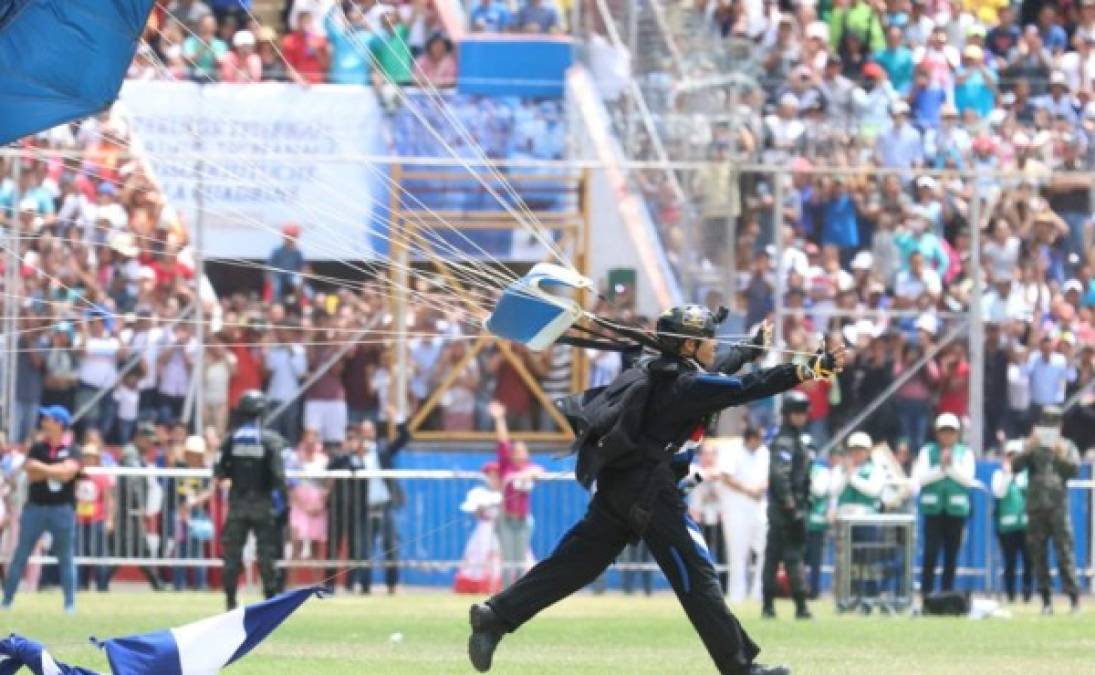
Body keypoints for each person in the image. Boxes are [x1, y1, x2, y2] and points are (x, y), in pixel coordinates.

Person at [468, 306, 844, 675]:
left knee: (575, 563)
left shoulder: (663, 371)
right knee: (696, 575)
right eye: (707, 340)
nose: (714, 345)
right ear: (687, 348)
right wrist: (807, 368)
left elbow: (721, 364)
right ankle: (739, 668)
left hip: (623, 486)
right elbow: (745, 386)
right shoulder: (685, 386)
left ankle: (495, 616)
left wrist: (750, 346)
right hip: (650, 491)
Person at [2, 406, 81, 612]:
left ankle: (69, 604)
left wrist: (43, 468)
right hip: (35, 508)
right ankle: (7, 600)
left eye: (48, 419)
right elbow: (32, 473)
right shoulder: (38, 447)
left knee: (65, 556)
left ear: (59, 423)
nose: (44, 422)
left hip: (62, 509)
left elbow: (68, 474)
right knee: (21, 554)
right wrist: (56, 470)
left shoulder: (74, 449)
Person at [215, 389, 288, 610]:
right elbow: (278, 476)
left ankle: (230, 601)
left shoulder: (231, 440)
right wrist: (284, 505)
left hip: (238, 503)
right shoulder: (271, 441)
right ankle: (270, 602)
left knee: (232, 556)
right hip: (263, 504)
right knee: (267, 555)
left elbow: (219, 471)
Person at [1011, 406, 1080, 615]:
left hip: (1058, 507)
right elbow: (1015, 466)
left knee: (1064, 553)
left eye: (1054, 423)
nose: (1051, 427)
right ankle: (1046, 600)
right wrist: (1028, 448)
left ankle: (1073, 598)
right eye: (1047, 423)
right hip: (1036, 508)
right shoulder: (1032, 446)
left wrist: (1059, 454)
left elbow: (1074, 469)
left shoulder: (1067, 446)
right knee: (1038, 556)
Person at [761, 391, 813, 620]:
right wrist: (791, 505)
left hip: (790, 507)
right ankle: (797, 606)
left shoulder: (794, 440)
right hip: (785, 510)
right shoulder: (784, 442)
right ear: (787, 414)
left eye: (803, 412)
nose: (802, 416)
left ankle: (770, 605)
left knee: (779, 556)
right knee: (787, 557)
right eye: (797, 412)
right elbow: (780, 476)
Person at [912, 413, 975, 599]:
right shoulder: (927, 451)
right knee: (930, 553)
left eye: (951, 432)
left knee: (951, 555)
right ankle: (927, 593)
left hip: (956, 511)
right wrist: (941, 469)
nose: (947, 436)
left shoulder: (965, 452)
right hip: (933, 510)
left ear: (957, 434)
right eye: (943, 431)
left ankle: (947, 594)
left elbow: (967, 480)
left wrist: (950, 467)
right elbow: (920, 479)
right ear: (937, 433)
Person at [487, 401, 544, 588]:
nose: (519, 454)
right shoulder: (507, 467)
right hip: (507, 519)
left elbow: (540, 472)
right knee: (507, 561)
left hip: (523, 520)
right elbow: (503, 441)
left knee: (520, 561)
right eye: (516, 451)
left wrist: (527, 474)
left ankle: (518, 594)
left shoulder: (530, 468)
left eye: (522, 451)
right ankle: (504, 593)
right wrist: (500, 419)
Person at [357, 411, 410, 595]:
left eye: (370, 429)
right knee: (364, 549)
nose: (367, 433)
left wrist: (398, 420)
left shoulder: (383, 448)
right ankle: (364, 586)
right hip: (365, 506)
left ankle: (391, 585)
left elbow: (404, 438)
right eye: (364, 430)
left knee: (390, 546)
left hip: (385, 503)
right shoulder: (355, 452)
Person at [831, 432, 884, 608]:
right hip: (845, 521)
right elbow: (833, 490)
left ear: (868, 452)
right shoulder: (840, 470)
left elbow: (873, 490)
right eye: (853, 450)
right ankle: (847, 598)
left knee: (868, 560)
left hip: (866, 521)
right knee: (846, 561)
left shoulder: (875, 469)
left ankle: (869, 597)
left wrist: (852, 477)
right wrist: (847, 475)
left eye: (861, 450)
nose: (856, 454)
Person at [718, 429, 769, 604]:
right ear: (750, 438)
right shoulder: (732, 450)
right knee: (738, 554)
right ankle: (737, 594)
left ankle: (759, 592)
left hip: (759, 507)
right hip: (736, 509)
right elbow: (725, 476)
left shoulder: (764, 452)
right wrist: (748, 490)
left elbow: (769, 475)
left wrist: (760, 488)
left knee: (765, 549)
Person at [991, 440, 1032, 604]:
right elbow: (999, 493)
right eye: (1010, 455)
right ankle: (1010, 594)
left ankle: (1027, 593)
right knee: (1010, 562)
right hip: (1007, 528)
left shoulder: (1028, 475)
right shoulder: (999, 475)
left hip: (1027, 526)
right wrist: (1008, 475)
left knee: (1029, 562)